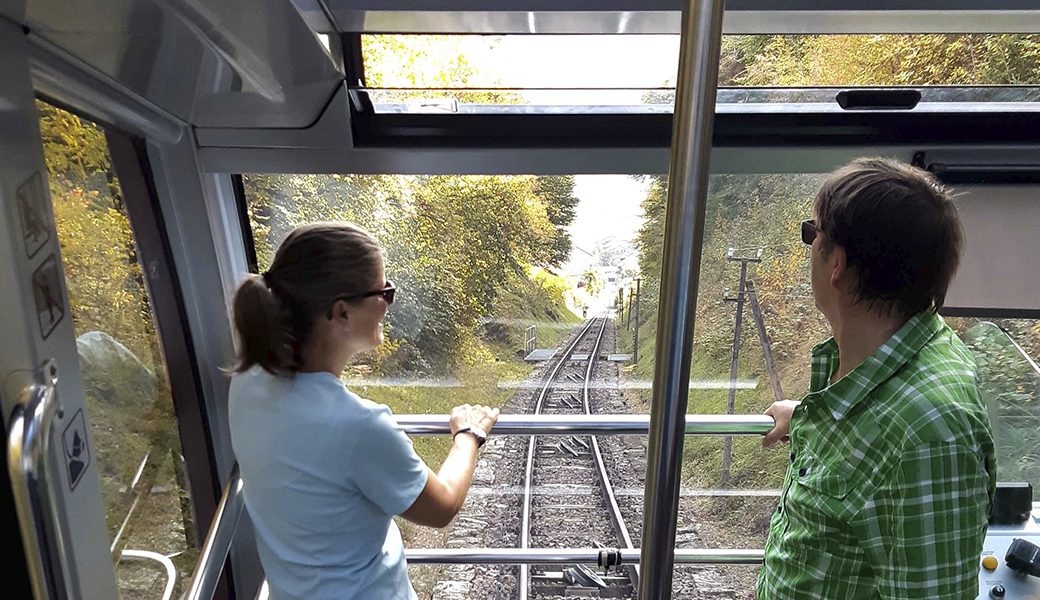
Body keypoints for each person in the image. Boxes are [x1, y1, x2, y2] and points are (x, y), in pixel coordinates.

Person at [756, 158, 996, 599]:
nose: (810, 245)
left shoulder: (929, 431)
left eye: (813, 234)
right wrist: (809, 417)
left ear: (837, 264)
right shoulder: (887, 364)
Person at [227, 222, 499, 600]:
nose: (389, 302)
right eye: (384, 291)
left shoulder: (247, 384)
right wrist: (469, 436)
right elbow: (442, 508)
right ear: (341, 313)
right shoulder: (359, 426)